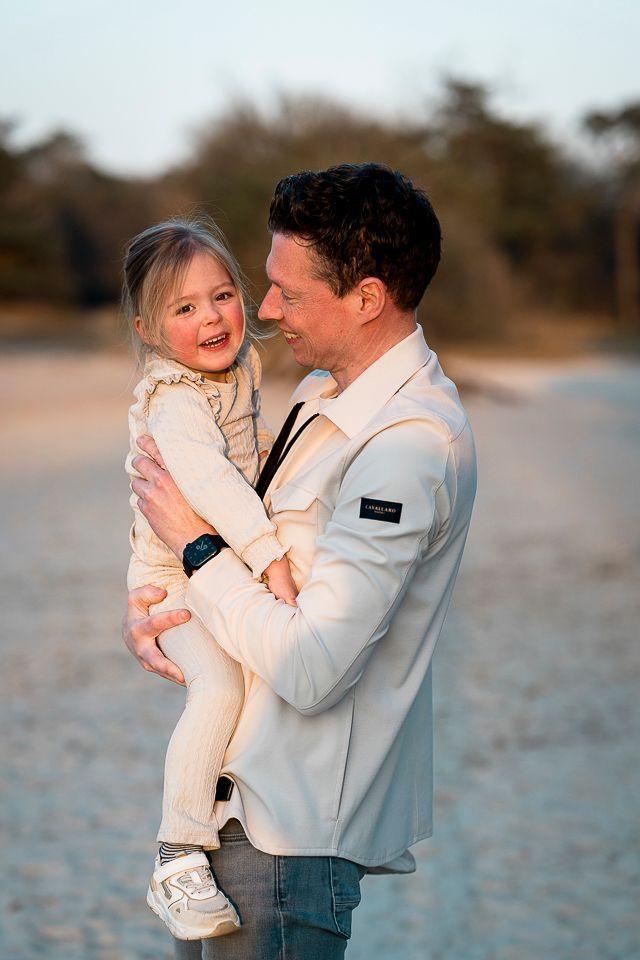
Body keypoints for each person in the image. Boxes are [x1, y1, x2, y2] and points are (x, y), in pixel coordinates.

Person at [124, 162, 477, 960]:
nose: (264, 309)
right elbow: (228, 555)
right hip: (231, 814)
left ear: (366, 298)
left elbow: (314, 668)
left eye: (287, 290)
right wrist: (157, 603)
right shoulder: (324, 396)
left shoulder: (406, 446)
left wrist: (195, 547)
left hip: (286, 838)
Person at [123, 218, 298, 941]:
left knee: (248, 683)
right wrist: (269, 554)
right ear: (150, 330)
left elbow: (248, 452)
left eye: (223, 295)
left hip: (210, 564)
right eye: (185, 308)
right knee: (220, 686)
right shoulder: (175, 399)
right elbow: (210, 482)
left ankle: (226, 800)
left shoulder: (236, 373)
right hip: (173, 577)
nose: (212, 318)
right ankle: (176, 854)